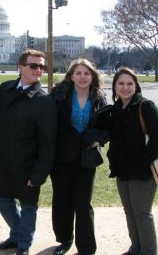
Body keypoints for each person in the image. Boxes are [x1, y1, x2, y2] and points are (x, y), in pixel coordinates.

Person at [0, 49, 57, 255]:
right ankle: (16, 236)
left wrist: (39, 173)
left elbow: (48, 143)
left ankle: (23, 245)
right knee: (3, 202)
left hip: (28, 164)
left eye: (42, 66)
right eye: (34, 65)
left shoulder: (44, 101)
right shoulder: (5, 89)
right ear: (20, 68)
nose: (39, 70)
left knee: (28, 207)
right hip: (4, 160)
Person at [49, 59, 108, 255]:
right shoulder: (60, 95)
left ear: (92, 76)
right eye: (78, 73)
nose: (83, 77)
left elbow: (106, 128)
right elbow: (49, 124)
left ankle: (86, 248)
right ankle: (64, 240)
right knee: (62, 201)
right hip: (62, 158)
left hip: (86, 158)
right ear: (71, 76)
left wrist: (98, 138)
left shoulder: (99, 98)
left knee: (83, 204)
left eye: (87, 73)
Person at [104, 67, 158, 255]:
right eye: (120, 83)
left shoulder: (146, 106)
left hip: (143, 172)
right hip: (122, 170)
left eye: (130, 83)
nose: (125, 87)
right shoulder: (116, 109)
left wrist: (143, 161)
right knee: (129, 212)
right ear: (114, 87)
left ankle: (148, 252)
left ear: (136, 86)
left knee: (142, 214)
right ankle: (135, 248)